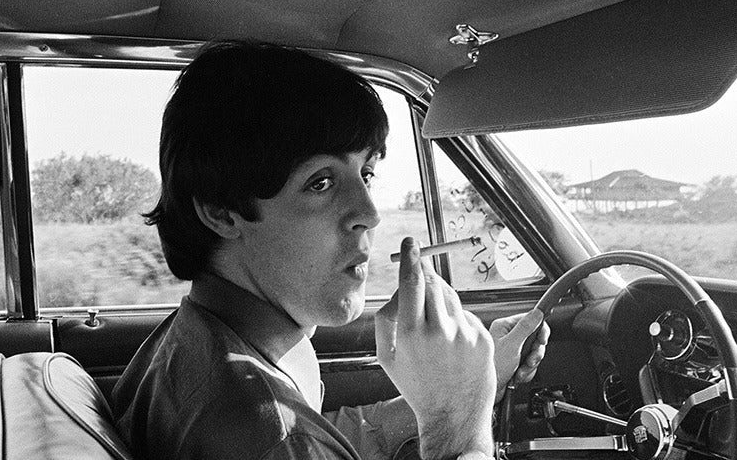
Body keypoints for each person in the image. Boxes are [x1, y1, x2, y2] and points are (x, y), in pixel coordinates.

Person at [111, 41, 549, 460]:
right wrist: (458, 422)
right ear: (222, 213)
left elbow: (328, 434)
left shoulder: (194, 342)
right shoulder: (271, 435)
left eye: (367, 173)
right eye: (320, 183)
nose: (370, 214)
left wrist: (474, 383)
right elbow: (295, 441)